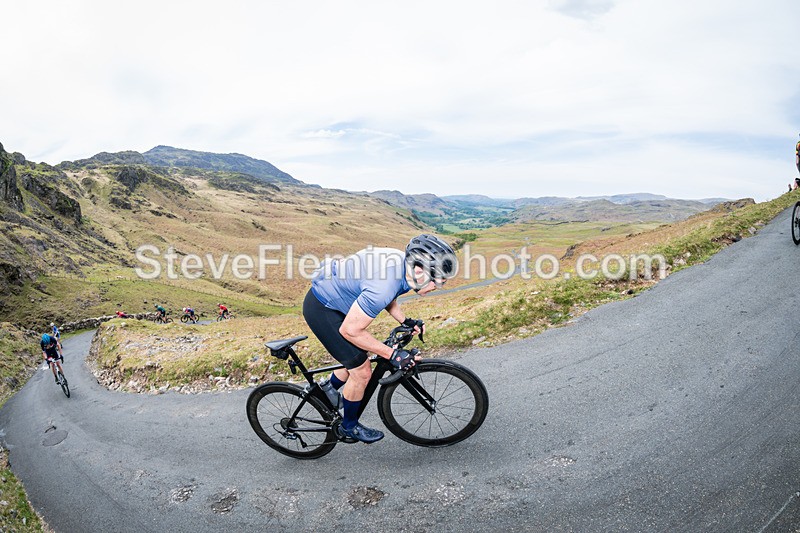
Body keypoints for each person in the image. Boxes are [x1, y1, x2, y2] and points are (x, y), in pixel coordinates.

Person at [302, 234, 457, 443]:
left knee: (358, 354)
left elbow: (390, 295)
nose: (436, 287)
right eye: (437, 282)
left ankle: (327, 388)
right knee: (361, 370)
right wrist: (394, 355)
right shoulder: (383, 285)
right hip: (323, 309)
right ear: (420, 271)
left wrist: (406, 321)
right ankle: (349, 427)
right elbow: (351, 330)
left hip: (340, 303)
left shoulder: (403, 267)